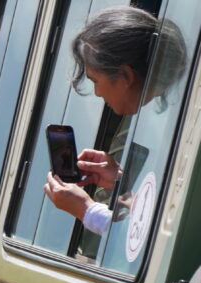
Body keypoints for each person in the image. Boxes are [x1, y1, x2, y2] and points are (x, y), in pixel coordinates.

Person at [43, 6, 185, 235]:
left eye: (95, 80)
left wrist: (86, 210)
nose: (97, 93)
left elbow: (152, 239)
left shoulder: (172, 129)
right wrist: (121, 181)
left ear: (126, 76)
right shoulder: (169, 116)